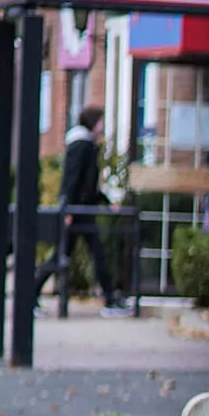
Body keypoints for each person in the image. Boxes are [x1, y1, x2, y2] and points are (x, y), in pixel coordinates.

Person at [40, 102, 133, 312]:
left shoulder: (86, 144)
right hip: (79, 212)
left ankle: (32, 294)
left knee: (66, 254)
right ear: (93, 122)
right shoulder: (82, 145)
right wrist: (69, 209)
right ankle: (110, 299)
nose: (102, 126)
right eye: (100, 121)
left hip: (81, 210)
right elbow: (73, 180)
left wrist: (108, 202)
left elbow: (87, 183)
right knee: (92, 254)